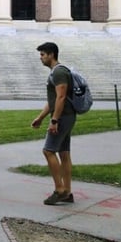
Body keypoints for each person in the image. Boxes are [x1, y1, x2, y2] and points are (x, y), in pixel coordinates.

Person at [31, 41, 76, 205]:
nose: (41, 58)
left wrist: (54, 120)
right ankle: (68, 191)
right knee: (64, 153)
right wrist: (41, 117)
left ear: (51, 54)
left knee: (48, 151)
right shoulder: (56, 72)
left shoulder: (58, 73)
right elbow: (53, 100)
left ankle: (60, 189)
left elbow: (61, 97)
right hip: (65, 116)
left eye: (42, 54)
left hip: (62, 117)